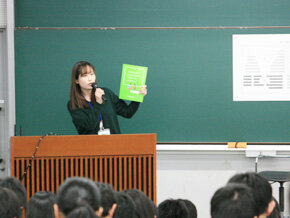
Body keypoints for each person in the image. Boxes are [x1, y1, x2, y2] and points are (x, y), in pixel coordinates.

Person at [67, 61, 147, 135]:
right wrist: (98, 103)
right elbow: (90, 125)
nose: (90, 79)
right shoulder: (73, 104)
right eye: (85, 75)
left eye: (92, 74)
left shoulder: (106, 93)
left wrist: (138, 96)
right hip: (91, 148)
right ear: (77, 80)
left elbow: (127, 113)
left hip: (114, 146)